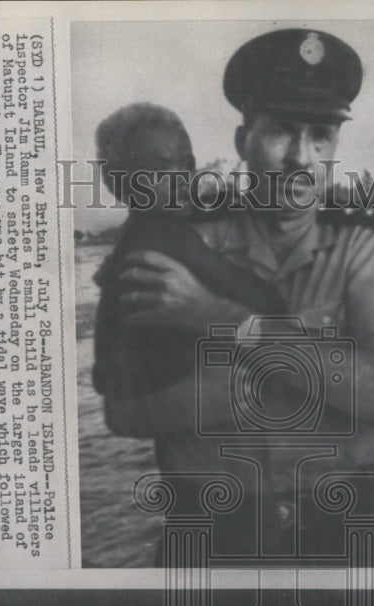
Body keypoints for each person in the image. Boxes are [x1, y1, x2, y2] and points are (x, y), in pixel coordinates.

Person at [101, 28, 374, 560]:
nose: (302, 158)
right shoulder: (183, 240)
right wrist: (279, 377)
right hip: (210, 529)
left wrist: (224, 321)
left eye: (321, 136)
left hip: (342, 530)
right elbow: (122, 412)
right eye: (283, 131)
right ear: (243, 142)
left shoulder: (367, 242)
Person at [91, 103, 287, 431]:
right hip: (161, 387)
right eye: (159, 169)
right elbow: (271, 303)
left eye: (187, 165)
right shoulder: (164, 236)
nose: (182, 179)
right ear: (117, 182)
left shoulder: (136, 234)